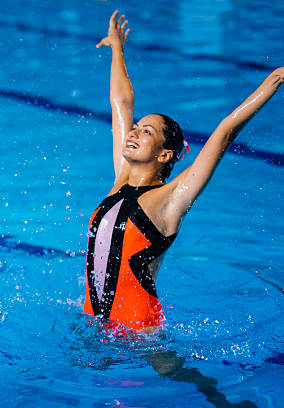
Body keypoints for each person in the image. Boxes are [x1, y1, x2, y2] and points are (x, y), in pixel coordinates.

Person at [83, 11, 283, 332]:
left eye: (146, 132)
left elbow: (225, 132)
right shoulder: (121, 179)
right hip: (95, 326)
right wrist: (118, 49)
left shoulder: (172, 198)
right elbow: (121, 103)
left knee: (182, 379)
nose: (133, 132)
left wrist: (274, 79)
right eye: (135, 128)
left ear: (164, 154)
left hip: (141, 339)